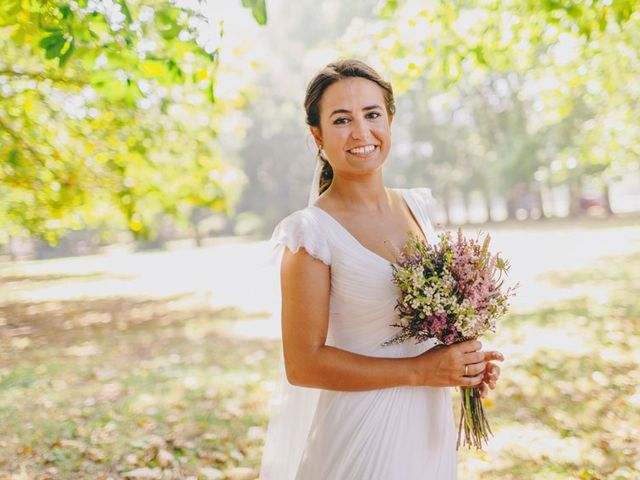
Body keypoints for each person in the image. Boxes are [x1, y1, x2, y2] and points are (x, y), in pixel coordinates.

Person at [259, 59, 504, 480]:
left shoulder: (419, 207)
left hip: (428, 426)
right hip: (361, 435)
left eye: (372, 114)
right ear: (317, 135)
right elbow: (303, 364)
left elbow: (431, 325)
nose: (360, 132)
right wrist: (421, 371)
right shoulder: (310, 234)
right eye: (341, 120)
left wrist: (463, 362)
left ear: (389, 120)